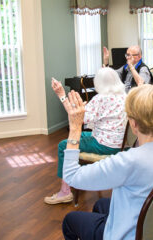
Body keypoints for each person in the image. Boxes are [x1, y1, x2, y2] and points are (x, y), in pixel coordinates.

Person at [60, 85, 153, 240]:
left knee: (69, 222)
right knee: (100, 205)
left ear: (132, 124)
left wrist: (75, 127)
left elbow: (72, 175)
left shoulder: (129, 161)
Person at [45, 67, 127, 204]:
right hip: (120, 143)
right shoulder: (125, 96)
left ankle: (65, 191)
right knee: (82, 135)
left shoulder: (101, 99)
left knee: (63, 145)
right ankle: (78, 178)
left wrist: (61, 94)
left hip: (104, 145)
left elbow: (77, 118)